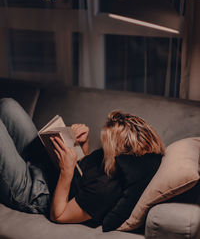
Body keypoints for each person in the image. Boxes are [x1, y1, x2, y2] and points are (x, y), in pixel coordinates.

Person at [0, 98, 165, 229]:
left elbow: (58, 215)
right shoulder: (123, 158)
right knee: (8, 105)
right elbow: (85, 173)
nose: (102, 146)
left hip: (36, 191)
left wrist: (66, 171)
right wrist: (82, 144)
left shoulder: (105, 192)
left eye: (106, 145)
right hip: (46, 166)